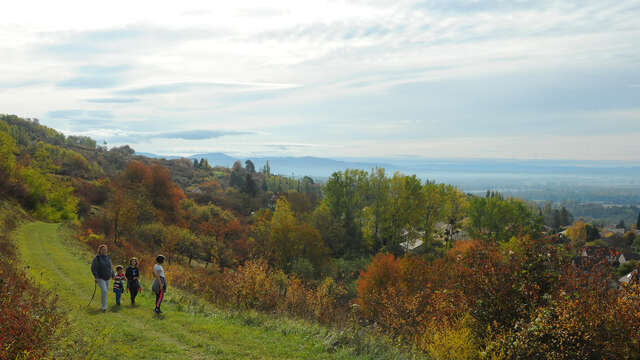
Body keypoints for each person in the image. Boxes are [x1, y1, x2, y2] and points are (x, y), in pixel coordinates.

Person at [91, 244, 114, 312]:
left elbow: (111, 267)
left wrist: (113, 275)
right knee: (104, 291)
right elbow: (93, 268)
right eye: (103, 249)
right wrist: (96, 277)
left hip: (107, 277)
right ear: (100, 250)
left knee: (105, 292)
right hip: (100, 278)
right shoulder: (97, 258)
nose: (104, 251)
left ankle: (104, 305)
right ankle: (104, 307)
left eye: (105, 249)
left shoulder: (108, 258)